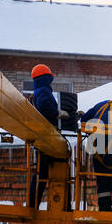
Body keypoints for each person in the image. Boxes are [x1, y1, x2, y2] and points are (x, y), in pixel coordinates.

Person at [28, 64, 69, 208]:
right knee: (43, 172)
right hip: (46, 139)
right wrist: (57, 113)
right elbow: (45, 106)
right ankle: (35, 204)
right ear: (45, 78)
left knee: (43, 173)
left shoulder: (37, 91)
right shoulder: (43, 91)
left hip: (44, 138)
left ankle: (33, 204)